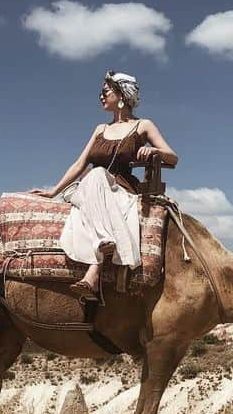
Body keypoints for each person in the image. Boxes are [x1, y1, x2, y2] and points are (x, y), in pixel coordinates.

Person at [29, 71, 179, 301]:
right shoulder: (100, 129)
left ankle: (94, 269)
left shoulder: (143, 125)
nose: (101, 97)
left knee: (98, 174)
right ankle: (102, 249)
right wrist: (52, 192)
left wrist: (155, 150)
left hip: (121, 190)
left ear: (121, 95)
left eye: (105, 91)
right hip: (90, 189)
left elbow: (173, 157)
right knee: (96, 174)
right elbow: (80, 164)